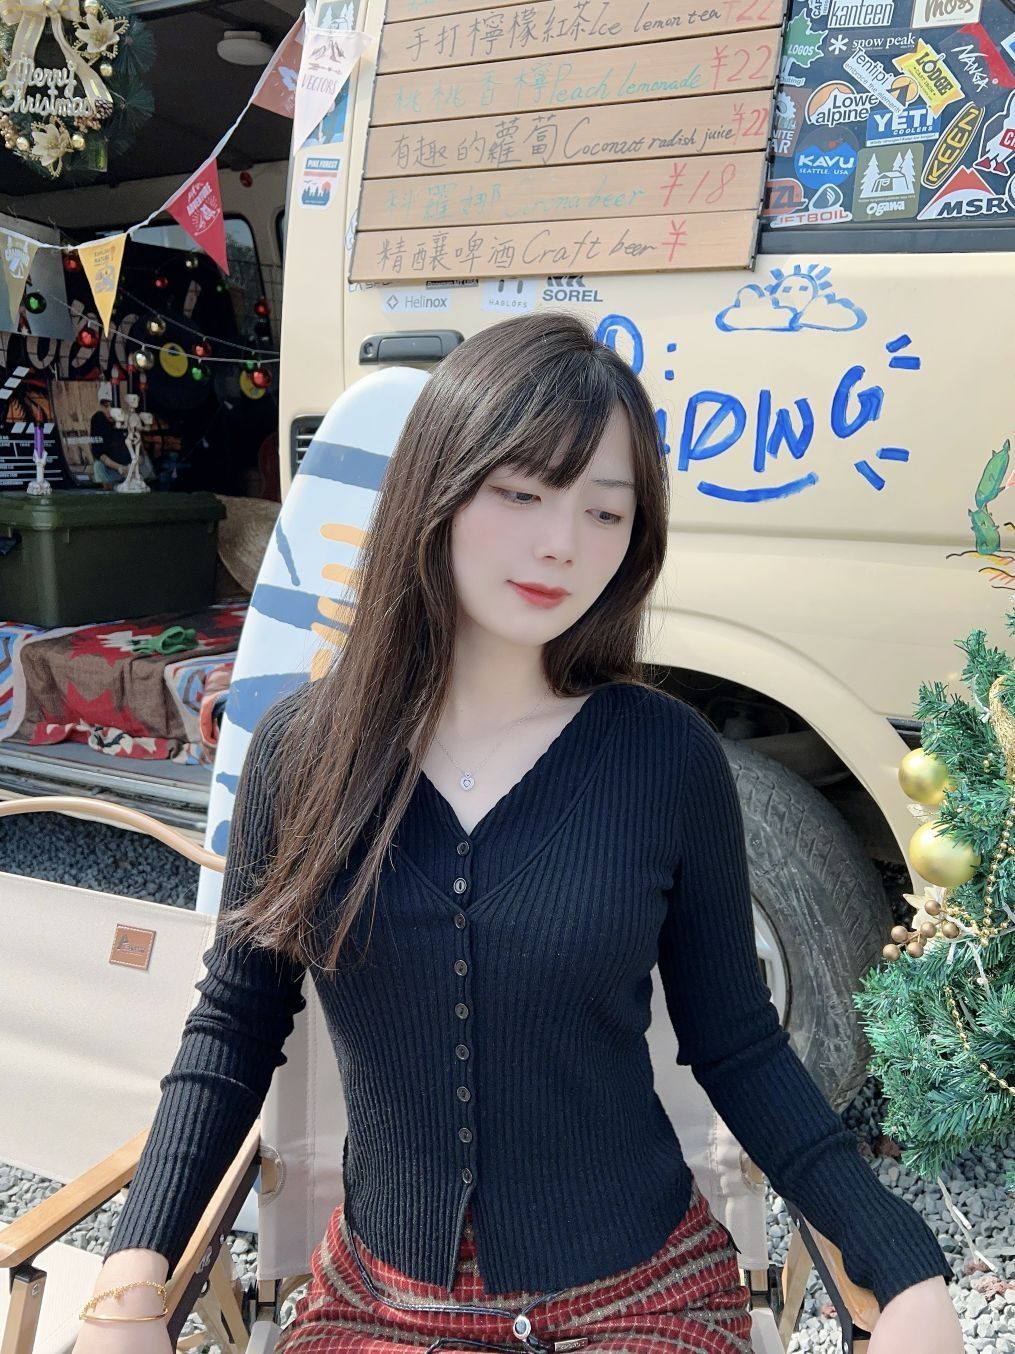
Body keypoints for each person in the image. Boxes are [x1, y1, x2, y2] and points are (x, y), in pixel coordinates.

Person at [72, 312, 963, 1354]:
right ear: (438, 488)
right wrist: (130, 1278)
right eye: (523, 492)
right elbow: (233, 1024)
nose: (562, 544)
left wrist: (902, 1265)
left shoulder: (665, 759)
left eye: (605, 510)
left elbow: (738, 1043)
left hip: (640, 1296)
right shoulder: (303, 753)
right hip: (381, 1302)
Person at [89, 396, 131, 488]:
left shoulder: (129, 419)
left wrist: (131, 468)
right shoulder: (98, 420)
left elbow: (141, 454)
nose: (109, 410)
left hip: (132, 467)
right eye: (106, 406)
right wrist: (120, 468)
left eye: (112, 406)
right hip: (111, 469)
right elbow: (99, 453)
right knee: (98, 466)